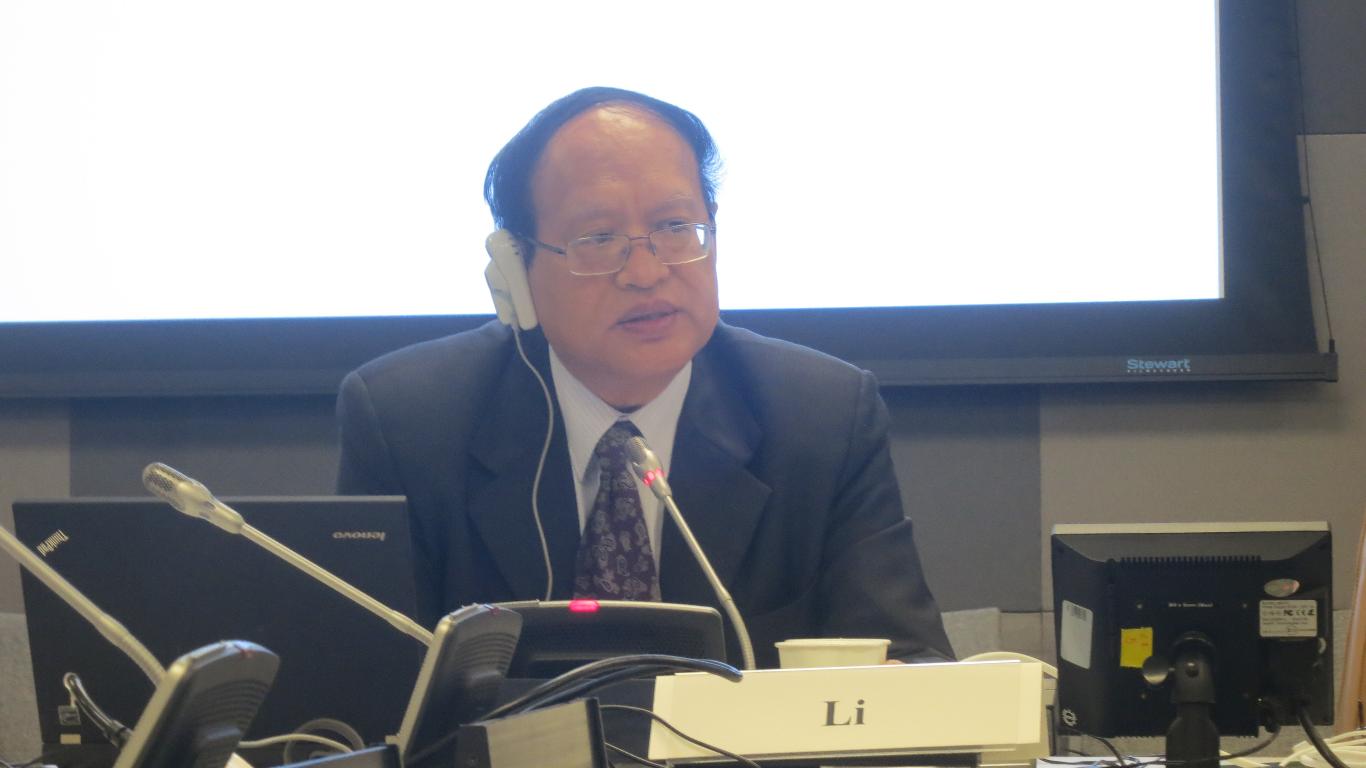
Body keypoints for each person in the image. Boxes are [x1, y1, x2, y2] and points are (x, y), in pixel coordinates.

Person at [335, 86, 952, 667]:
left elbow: (909, 674)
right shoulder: (409, 423)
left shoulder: (822, 417)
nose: (647, 272)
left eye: (676, 228)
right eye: (599, 238)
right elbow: (360, 692)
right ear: (516, 267)